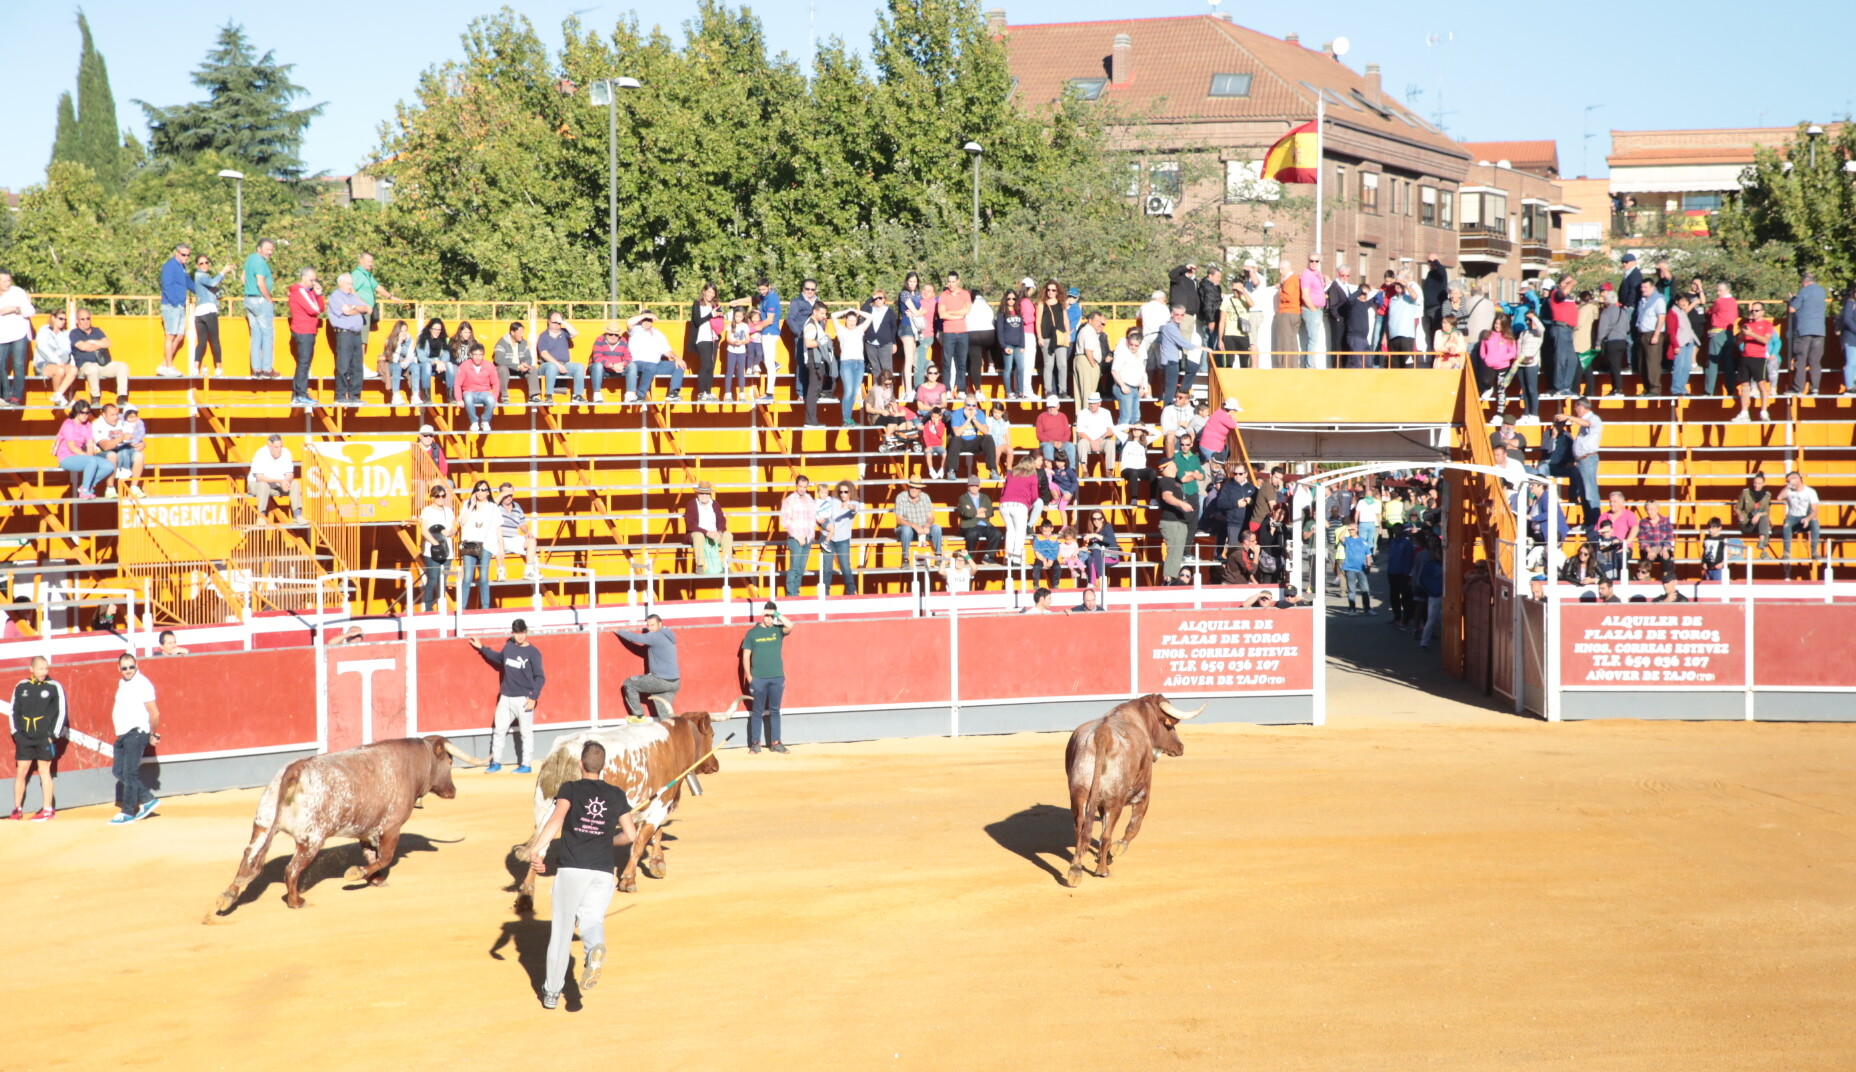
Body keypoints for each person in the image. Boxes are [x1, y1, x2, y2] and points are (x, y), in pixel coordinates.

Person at [525, 739, 638, 1010]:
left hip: (572, 869)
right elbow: (631, 835)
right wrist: (606, 840)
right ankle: (594, 949)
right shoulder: (616, 794)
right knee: (591, 919)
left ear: (580, 765)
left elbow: (556, 820)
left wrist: (536, 849)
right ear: (604, 766)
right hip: (602, 872)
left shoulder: (571, 789)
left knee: (562, 932)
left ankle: (552, 993)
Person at [469, 618, 544, 773]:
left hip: (524, 698)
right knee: (499, 731)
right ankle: (496, 762)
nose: (520, 636)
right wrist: (482, 647)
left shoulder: (534, 653)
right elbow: (499, 658)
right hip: (506, 697)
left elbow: (540, 677)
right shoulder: (509, 646)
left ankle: (526, 765)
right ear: (513, 633)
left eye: (523, 632)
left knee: (526, 733)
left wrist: (533, 697)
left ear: (526, 632)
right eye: (517, 633)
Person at [9, 656, 66, 820]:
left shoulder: (54, 686)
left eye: (46, 668)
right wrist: (17, 734)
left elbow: (61, 712)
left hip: (44, 738)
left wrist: (52, 736)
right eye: (41, 668)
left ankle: (48, 809)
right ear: (31, 669)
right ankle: (17, 809)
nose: (44, 672)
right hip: (24, 738)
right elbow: (14, 711)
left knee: (44, 771)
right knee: (21, 771)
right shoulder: (21, 686)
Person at [108, 653, 161, 824]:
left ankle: (128, 812)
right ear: (119, 669)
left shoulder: (143, 684)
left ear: (136, 665)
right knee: (118, 771)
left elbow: (154, 713)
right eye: (124, 668)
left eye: (131, 667)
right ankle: (147, 799)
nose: (128, 670)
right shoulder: (122, 683)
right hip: (124, 734)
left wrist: (151, 733)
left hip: (137, 733)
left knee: (130, 773)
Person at [740, 603, 792, 755]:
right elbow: (746, 655)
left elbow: (790, 625)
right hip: (759, 678)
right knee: (757, 711)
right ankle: (755, 743)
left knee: (775, 710)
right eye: (766, 616)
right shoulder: (752, 633)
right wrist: (749, 676)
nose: (769, 619)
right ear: (762, 616)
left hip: (776, 677)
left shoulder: (778, 630)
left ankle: (776, 742)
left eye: (771, 616)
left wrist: (776, 614)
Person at [615, 615, 680, 722]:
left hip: (661, 680)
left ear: (660, 624)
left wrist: (619, 631)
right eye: (648, 625)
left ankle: (638, 716)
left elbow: (636, 638)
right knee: (665, 719)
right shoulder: (668, 634)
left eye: (653, 625)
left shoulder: (655, 636)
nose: (650, 628)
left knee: (629, 683)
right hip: (674, 682)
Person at [326, 274, 372, 406]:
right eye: (348, 284)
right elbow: (346, 311)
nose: (350, 286)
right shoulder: (336, 296)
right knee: (343, 365)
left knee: (357, 366)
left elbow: (367, 308)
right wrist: (357, 309)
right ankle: (340, 395)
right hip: (344, 334)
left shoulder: (353, 296)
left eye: (351, 284)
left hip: (357, 334)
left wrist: (354, 307)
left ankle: (354, 395)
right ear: (340, 283)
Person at [54, 399, 113, 500]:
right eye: (83, 413)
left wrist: (90, 458)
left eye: (88, 413)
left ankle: (87, 486)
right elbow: (71, 446)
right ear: (77, 412)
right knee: (91, 460)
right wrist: (88, 458)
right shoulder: (68, 424)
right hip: (66, 457)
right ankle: (85, 491)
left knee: (108, 466)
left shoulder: (88, 425)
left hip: (81, 456)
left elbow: (90, 445)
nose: (85, 415)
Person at [68, 308, 129, 405]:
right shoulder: (74, 333)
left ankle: (122, 396)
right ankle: (95, 397)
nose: (86, 321)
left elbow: (107, 343)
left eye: (88, 318)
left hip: (102, 364)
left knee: (122, 366)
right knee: (92, 368)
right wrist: (98, 344)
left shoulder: (97, 331)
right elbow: (83, 347)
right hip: (85, 366)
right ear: (77, 321)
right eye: (82, 319)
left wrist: (92, 342)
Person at [1557, 397, 1602, 527]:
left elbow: (1587, 424)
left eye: (1576, 407)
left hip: (1588, 459)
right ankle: (1588, 521)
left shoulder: (1594, 418)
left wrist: (1568, 417)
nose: (1575, 410)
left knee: (1590, 492)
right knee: (1583, 492)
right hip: (1582, 460)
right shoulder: (1585, 421)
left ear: (1581, 406)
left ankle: (1594, 522)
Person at [458, 480, 502, 609]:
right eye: (478, 489)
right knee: (467, 577)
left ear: (488, 492)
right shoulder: (467, 504)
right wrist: (472, 506)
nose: (480, 492)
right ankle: (462, 607)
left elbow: (498, 527)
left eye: (483, 489)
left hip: (487, 544)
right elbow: (463, 522)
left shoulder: (493, 507)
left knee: (483, 577)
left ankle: (485, 607)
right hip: (470, 543)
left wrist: (501, 547)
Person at [286, 268, 325, 407]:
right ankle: (300, 394)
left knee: (304, 363)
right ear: (303, 278)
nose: (313, 283)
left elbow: (320, 309)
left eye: (315, 280)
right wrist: (316, 297)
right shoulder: (300, 291)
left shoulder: (309, 292)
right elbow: (313, 310)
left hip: (309, 329)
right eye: (311, 280)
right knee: (303, 363)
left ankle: (297, 394)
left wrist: (319, 295)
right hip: (303, 330)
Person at [1156, 457, 1197, 583]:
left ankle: (1171, 580)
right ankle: (1168, 581)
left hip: (1178, 522)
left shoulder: (1173, 481)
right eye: (1173, 463)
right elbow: (1166, 496)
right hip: (1172, 522)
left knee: (1177, 553)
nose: (1175, 464)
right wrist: (1182, 504)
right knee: (1174, 552)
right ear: (1168, 467)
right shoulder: (1167, 481)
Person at [815, 480, 860, 594]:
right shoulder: (833, 501)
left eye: (846, 492)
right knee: (827, 568)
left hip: (842, 539)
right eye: (841, 492)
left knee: (845, 566)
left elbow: (855, 508)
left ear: (851, 492)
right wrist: (819, 520)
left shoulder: (854, 503)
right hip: (827, 537)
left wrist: (848, 506)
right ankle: (825, 593)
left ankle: (851, 591)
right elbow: (819, 507)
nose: (843, 494)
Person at [415, 484, 455, 611]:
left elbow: (454, 527)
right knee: (432, 578)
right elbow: (424, 530)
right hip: (432, 549)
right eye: (438, 496)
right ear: (432, 497)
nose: (441, 498)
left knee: (443, 578)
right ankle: (428, 607)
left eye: (443, 496)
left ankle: (441, 605)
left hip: (446, 550)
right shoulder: (427, 511)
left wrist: (449, 532)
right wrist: (435, 543)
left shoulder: (448, 511)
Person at [190, 252, 230, 374]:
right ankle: (219, 368)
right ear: (197, 265)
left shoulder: (202, 278)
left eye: (206, 262)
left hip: (200, 312)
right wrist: (224, 271)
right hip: (208, 310)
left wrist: (217, 292)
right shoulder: (201, 276)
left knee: (202, 342)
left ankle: (196, 368)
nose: (204, 265)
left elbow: (214, 289)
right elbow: (213, 283)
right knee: (215, 340)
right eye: (201, 263)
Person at [1788, 273, 1828, 396]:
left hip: (1804, 330)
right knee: (1815, 361)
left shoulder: (1803, 291)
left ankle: (1798, 388)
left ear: (1804, 281)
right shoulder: (1822, 291)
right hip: (1820, 330)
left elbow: (1792, 309)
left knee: (1801, 359)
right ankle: (1815, 388)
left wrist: (1793, 299)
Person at [243, 238, 278, 378]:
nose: (270, 252)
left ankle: (256, 369)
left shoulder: (250, 258)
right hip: (260, 299)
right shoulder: (260, 262)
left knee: (256, 334)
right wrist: (269, 298)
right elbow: (260, 282)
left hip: (248, 299)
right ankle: (267, 369)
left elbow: (243, 278)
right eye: (267, 249)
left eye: (271, 249)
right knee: (268, 334)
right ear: (259, 249)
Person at [156, 244, 192, 376]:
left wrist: (202, 291)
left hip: (180, 306)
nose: (186, 257)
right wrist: (175, 302)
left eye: (188, 255)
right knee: (170, 336)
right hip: (171, 306)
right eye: (183, 255)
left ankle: (164, 365)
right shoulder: (169, 266)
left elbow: (188, 282)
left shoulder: (182, 267)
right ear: (177, 253)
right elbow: (167, 285)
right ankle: (169, 367)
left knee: (180, 336)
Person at [683, 482, 734, 575]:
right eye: (702, 493)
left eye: (706, 493)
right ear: (698, 493)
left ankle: (726, 566)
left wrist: (719, 532)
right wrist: (707, 532)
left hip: (714, 534)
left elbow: (722, 521)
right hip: (697, 533)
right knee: (698, 536)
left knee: (728, 535)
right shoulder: (691, 504)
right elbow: (691, 525)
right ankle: (700, 566)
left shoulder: (715, 504)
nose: (704, 495)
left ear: (710, 494)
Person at [779, 475, 817, 597]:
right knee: (794, 568)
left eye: (805, 487)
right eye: (800, 486)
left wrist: (809, 536)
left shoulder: (809, 499)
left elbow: (812, 519)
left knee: (801, 569)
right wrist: (797, 536)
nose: (802, 489)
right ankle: (791, 594)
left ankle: (797, 593)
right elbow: (786, 521)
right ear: (796, 486)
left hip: (807, 538)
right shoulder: (789, 500)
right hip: (795, 539)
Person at [246, 433, 300, 520]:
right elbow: (259, 478)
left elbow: (290, 474)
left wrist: (286, 481)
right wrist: (279, 481)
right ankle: (261, 517)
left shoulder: (286, 453)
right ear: (270, 446)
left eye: (281, 446)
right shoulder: (261, 453)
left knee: (295, 483)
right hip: (257, 484)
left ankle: (298, 515)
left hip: (276, 486)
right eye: (276, 447)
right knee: (263, 485)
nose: (279, 450)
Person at [535, 311, 585, 403]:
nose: (557, 325)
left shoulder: (564, 333)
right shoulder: (543, 336)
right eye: (554, 322)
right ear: (549, 321)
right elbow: (544, 353)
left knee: (579, 367)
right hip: (546, 365)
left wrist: (564, 322)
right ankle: (548, 395)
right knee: (552, 366)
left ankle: (577, 395)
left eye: (559, 322)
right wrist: (558, 365)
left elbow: (575, 333)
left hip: (564, 364)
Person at [31, 308, 78, 406]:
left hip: (62, 363)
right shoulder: (44, 330)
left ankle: (58, 394)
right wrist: (56, 359)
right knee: (59, 371)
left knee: (73, 370)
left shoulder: (65, 334)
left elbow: (67, 350)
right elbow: (43, 348)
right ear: (53, 318)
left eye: (65, 319)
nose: (63, 321)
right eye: (60, 319)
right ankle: (58, 399)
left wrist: (59, 356)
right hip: (44, 364)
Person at [688, 284, 724, 401]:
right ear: (704, 291)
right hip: (702, 338)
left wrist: (719, 315)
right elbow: (697, 321)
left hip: (714, 337)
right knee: (706, 364)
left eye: (713, 293)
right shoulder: (697, 304)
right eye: (709, 292)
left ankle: (708, 392)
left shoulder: (715, 305)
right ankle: (701, 392)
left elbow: (718, 321)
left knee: (712, 366)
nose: (711, 295)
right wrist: (711, 315)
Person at [893, 479, 942, 566]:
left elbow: (931, 518)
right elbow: (899, 520)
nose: (914, 489)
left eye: (916, 488)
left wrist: (927, 525)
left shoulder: (925, 497)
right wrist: (914, 525)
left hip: (923, 529)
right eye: (912, 487)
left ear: (920, 489)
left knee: (936, 528)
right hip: (907, 530)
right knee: (907, 530)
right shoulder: (901, 497)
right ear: (909, 487)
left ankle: (939, 557)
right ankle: (905, 559)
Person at [1778, 471, 1820, 570]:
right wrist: (1789, 486)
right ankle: (1786, 552)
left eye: (1792, 479)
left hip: (1806, 516)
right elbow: (1779, 497)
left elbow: (1815, 511)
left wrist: (1807, 518)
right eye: (1788, 481)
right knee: (1786, 524)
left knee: (1815, 521)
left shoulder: (1810, 492)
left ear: (1798, 479)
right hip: (1793, 517)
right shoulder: (1789, 490)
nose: (1789, 482)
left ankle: (1814, 551)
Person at [1035, 279, 1070, 398]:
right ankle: (1048, 390)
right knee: (1048, 365)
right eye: (1048, 290)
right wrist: (1039, 337)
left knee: (1062, 364)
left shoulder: (1061, 303)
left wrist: (1067, 334)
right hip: (1046, 337)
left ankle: (1063, 391)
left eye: (1053, 290)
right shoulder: (1041, 303)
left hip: (1060, 337)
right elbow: (1038, 322)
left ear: (1057, 291)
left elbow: (1065, 319)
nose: (1050, 292)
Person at [496, 484, 538, 581]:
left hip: (513, 538)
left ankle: (529, 571)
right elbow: (489, 505)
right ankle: (501, 572)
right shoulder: (496, 506)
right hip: (499, 538)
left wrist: (527, 531)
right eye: (506, 494)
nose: (508, 496)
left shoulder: (517, 506)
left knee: (532, 540)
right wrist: (502, 494)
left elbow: (522, 522)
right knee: (496, 542)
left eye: (510, 494)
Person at [493, 321, 539, 406]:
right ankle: (504, 396)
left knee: (533, 369)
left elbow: (528, 357)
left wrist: (525, 364)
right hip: (508, 368)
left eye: (523, 333)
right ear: (512, 332)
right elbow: (498, 360)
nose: (522, 335)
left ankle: (534, 395)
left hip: (520, 367)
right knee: (502, 369)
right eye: (520, 333)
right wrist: (517, 366)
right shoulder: (502, 343)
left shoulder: (523, 342)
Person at [956, 476, 1001, 563]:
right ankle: (969, 557)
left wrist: (973, 512)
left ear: (979, 487)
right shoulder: (963, 498)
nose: (974, 487)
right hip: (969, 525)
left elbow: (990, 512)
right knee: (972, 534)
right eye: (971, 485)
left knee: (997, 533)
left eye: (976, 486)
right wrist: (979, 511)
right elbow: (967, 514)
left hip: (984, 524)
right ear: (968, 486)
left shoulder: (985, 497)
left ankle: (988, 556)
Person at [1074, 395, 1116, 478]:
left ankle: (1109, 470)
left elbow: (1110, 431)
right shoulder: (1082, 413)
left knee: (1110, 443)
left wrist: (1099, 439)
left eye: (1094, 403)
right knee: (1081, 443)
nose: (1091, 405)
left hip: (1101, 440)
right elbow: (1080, 432)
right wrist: (1092, 442)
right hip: (1087, 441)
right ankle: (1085, 470)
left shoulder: (1106, 413)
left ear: (1099, 404)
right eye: (1090, 403)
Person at [589, 320, 630, 403]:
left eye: (616, 334)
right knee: (598, 366)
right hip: (602, 369)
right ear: (606, 333)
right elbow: (597, 357)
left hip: (618, 368)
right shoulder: (600, 339)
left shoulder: (623, 340)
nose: (613, 336)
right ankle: (597, 394)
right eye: (610, 334)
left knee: (633, 366)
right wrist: (612, 365)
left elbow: (628, 356)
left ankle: (630, 393)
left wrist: (622, 364)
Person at [1735, 473, 1774, 559]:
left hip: (1759, 523)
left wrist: (1758, 514)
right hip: (1747, 523)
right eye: (1755, 483)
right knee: (1765, 526)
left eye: (1759, 483)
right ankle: (1764, 552)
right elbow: (1738, 508)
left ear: (1763, 484)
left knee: (1764, 519)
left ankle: (1761, 542)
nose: (1756, 485)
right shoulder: (1745, 492)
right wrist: (1740, 515)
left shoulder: (1767, 495)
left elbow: (1767, 511)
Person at [1034, 396, 1076, 468]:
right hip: (1047, 442)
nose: (1051, 408)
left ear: (1058, 406)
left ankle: (1071, 469)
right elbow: (1039, 434)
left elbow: (1067, 432)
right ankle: (1050, 470)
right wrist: (1052, 442)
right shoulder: (1041, 417)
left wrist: (1062, 442)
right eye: (1049, 406)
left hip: (1062, 443)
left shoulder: (1063, 416)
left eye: (1053, 406)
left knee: (1070, 446)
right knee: (1048, 447)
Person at [1700, 517, 1728, 582]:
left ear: (1719, 528)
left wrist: (1722, 564)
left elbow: (1728, 553)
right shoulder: (1706, 539)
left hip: (1718, 569)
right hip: (1708, 568)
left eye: (1713, 528)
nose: (1710, 530)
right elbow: (1705, 552)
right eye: (1709, 528)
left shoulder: (1723, 539)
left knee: (1717, 587)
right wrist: (1704, 563)